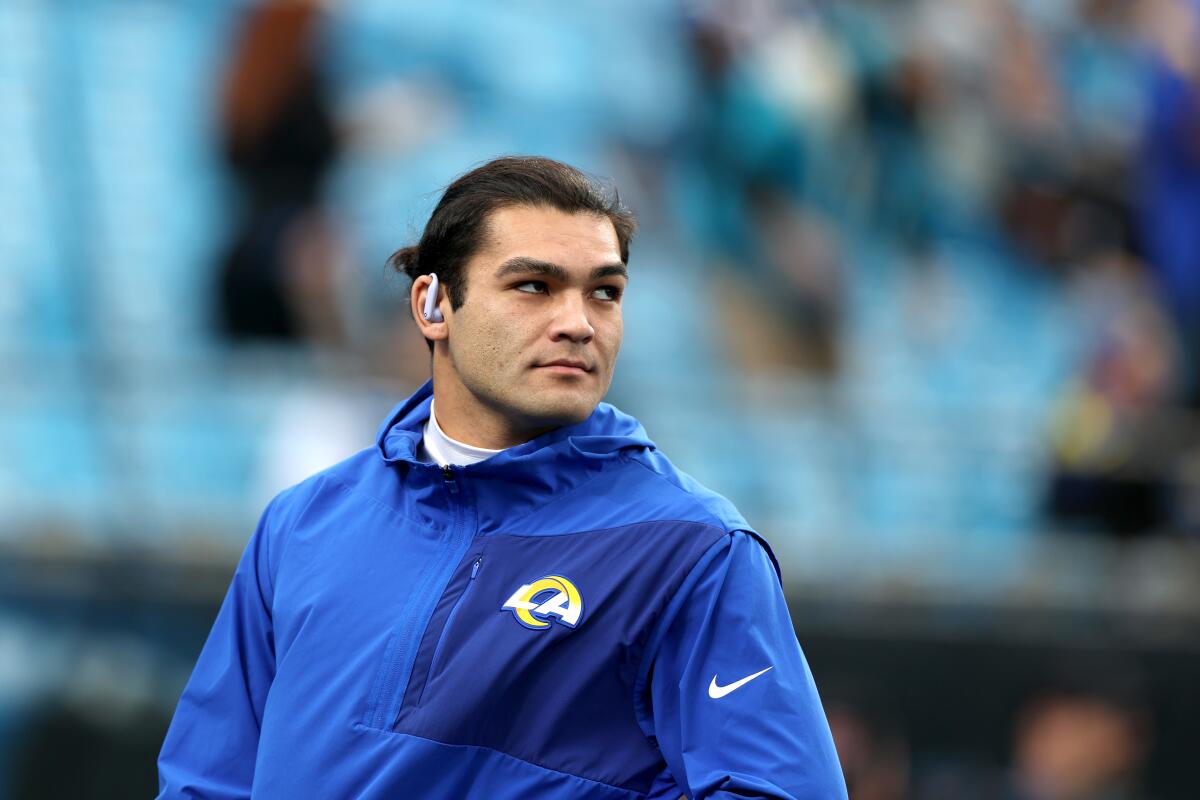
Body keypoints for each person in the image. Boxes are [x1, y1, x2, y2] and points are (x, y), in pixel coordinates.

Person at [156, 156, 847, 799]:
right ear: (432, 306)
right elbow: (204, 780)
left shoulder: (693, 551)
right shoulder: (303, 520)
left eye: (604, 293)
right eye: (534, 286)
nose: (577, 323)